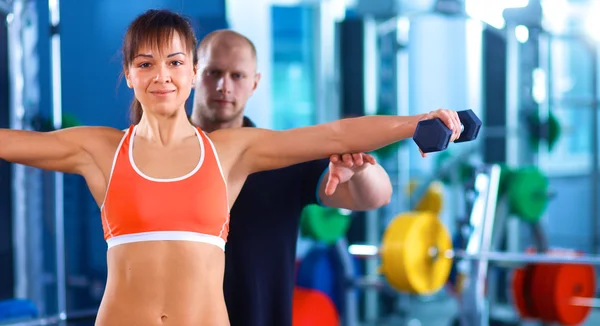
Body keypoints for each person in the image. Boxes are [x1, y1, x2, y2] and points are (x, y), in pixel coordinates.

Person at [0, 9, 463, 326]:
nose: (162, 75)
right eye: (146, 63)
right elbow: (11, 143)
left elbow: (337, 136)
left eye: (175, 62)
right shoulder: (101, 151)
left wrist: (413, 123)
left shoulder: (230, 153)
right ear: (129, 73)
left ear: (189, 70)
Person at [189, 29, 393, 326]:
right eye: (214, 72)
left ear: (255, 83)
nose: (224, 86)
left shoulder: (281, 156)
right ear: (194, 73)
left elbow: (375, 197)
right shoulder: (164, 154)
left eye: (237, 76)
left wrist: (360, 166)